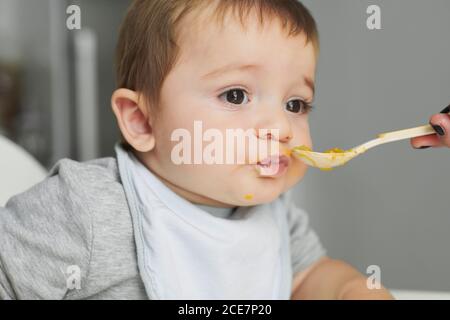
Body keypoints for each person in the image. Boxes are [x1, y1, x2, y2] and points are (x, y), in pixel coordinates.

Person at [3, 0, 445, 300]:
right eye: (235, 95)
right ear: (141, 121)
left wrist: (351, 290)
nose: (280, 127)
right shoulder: (85, 207)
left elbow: (308, 276)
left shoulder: (274, 213)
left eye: (296, 104)